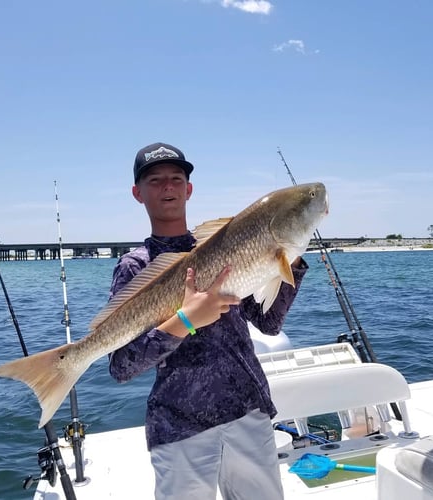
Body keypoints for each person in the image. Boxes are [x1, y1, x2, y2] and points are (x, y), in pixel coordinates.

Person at [108, 142, 308, 500]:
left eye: (176, 178)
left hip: (247, 410)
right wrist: (184, 320)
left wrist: (288, 260)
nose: (167, 186)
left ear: (189, 189)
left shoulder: (228, 245)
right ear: (138, 193)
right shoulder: (135, 267)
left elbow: (268, 323)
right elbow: (122, 365)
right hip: (180, 424)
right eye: (155, 180)